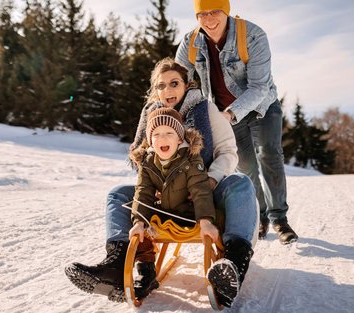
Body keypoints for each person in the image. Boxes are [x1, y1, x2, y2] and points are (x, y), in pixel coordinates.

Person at [65, 58, 258, 308]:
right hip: (165, 193)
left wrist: (210, 180)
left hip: (205, 188)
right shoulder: (151, 115)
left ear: (187, 85)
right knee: (118, 194)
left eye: (174, 84)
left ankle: (233, 264)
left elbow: (229, 152)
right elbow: (142, 161)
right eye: (160, 86)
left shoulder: (205, 109)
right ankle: (116, 263)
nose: (167, 91)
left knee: (240, 182)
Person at [175, 0, 298, 244]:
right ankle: (261, 217)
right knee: (246, 167)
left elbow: (259, 87)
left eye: (215, 12)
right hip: (224, 113)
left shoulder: (252, 36)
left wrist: (230, 114)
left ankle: (279, 219)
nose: (209, 19)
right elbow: (178, 80)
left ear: (226, 11)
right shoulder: (190, 44)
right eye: (203, 14)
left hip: (262, 106)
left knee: (269, 155)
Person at [128, 107, 220, 300]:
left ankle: (223, 268)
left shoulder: (191, 158)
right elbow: (143, 192)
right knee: (139, 222)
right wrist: (138, 222)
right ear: (150, 140)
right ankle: (146, 270)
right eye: (157, 134)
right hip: (164, 213)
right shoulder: (147, 162)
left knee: (220, 218)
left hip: (189, 214)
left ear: (179, 138)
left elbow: (200, 190)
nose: (163, 139)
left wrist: (205, 220)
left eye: (169, 133)